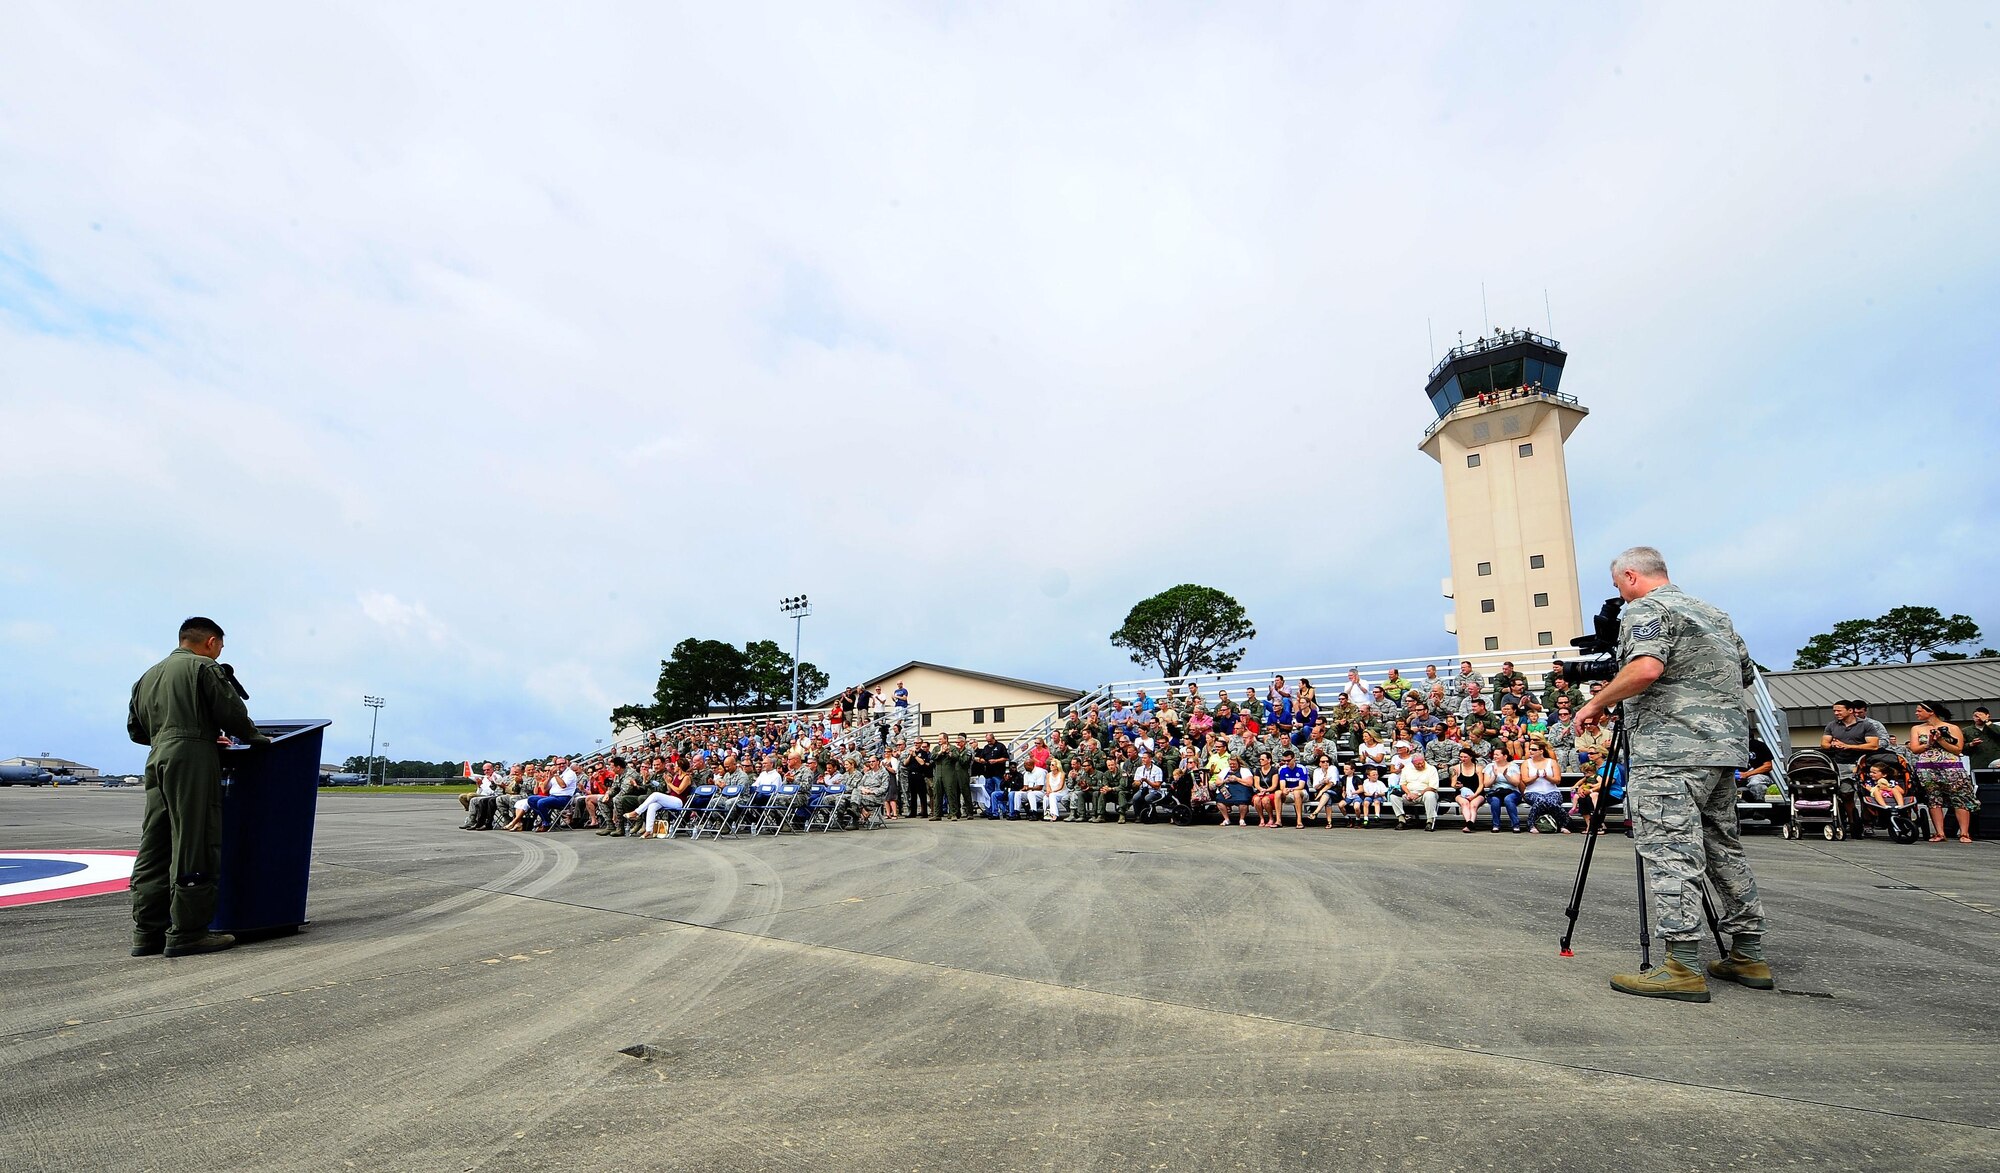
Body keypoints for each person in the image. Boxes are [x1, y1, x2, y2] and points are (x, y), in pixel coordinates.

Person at [1574, 546, 1770, 1003]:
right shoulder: (1713, 613)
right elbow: (1745, 673)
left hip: (1670, 752)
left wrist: (1597, 702)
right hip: (1721, 749)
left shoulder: (1647, 608)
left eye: (1619, 585)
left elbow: (1646, 668)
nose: (1620, 594)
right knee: (1723, 847)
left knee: (1670, 851)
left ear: (1630, 575)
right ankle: (1748, 952)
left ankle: (1681, 964)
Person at [125, 617, 270, 958]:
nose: (219, 653)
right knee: (196, 840)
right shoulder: (204, 668)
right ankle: (188, 932)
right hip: (191, 759)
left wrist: (176, 733)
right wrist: (256, 739)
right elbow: (233, 714)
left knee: (156, 844)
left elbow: (135, 731)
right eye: (220, 646)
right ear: (210, 642)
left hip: (157, 756)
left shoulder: (147, 677)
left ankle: (147, 933)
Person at [1911, 702, 1975, 844]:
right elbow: (1914, 749)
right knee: (1934, 798)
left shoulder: (1952, 728)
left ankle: (1964, 833)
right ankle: (1940, 832)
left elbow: (1958, 749)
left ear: (1931, 711)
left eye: (1919, 711)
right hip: (1926, 767)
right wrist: (1928, 743)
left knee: (1959, 797)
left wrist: (1940, 740)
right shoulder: (1917, 728)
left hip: (1951, 767)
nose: (1917, 713)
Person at [1393, 752, 1441, 831]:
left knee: (1430, 795)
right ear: (1412, 764)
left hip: (1424, 793)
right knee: (1394, 796)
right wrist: (1408, 793)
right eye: (1417, 764)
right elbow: (1402, 784)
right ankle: (1401, 820)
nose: (1420, 765)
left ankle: (1430, 821)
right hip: (1410, 793)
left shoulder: (1431, 769)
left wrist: (1419, 794)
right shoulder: (1407, 769)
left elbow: (1433, 787)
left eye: (1422, 763)